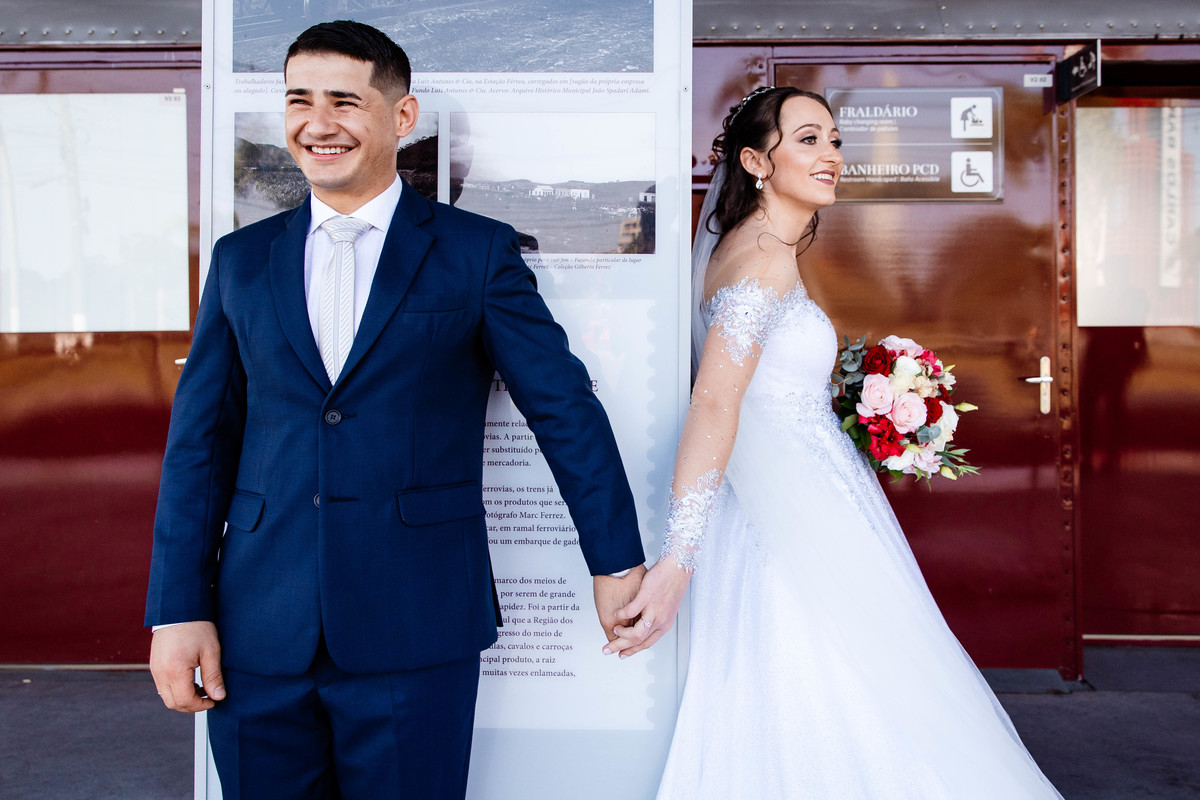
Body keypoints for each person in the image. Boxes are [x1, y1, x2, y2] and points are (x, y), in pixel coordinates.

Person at [145, 20, 646, 800]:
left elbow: (563, 410)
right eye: (299, 101)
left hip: (416, 624)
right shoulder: (242, 260)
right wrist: (177, 608)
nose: (318, 123)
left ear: (401, 117)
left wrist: (615, 560)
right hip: (257, 627)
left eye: (345, 101)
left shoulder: (476, 253)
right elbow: (200, 444)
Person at [605, 87, 1064, 798]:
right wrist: (678, 561)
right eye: (809, 139)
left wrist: (868, 399)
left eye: (836, 140)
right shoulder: (760, 258)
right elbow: (715, 403)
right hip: (787, 521)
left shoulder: (764, 247)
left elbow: (759, 390)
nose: (831, 156)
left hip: (805, 499)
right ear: (758, 161)